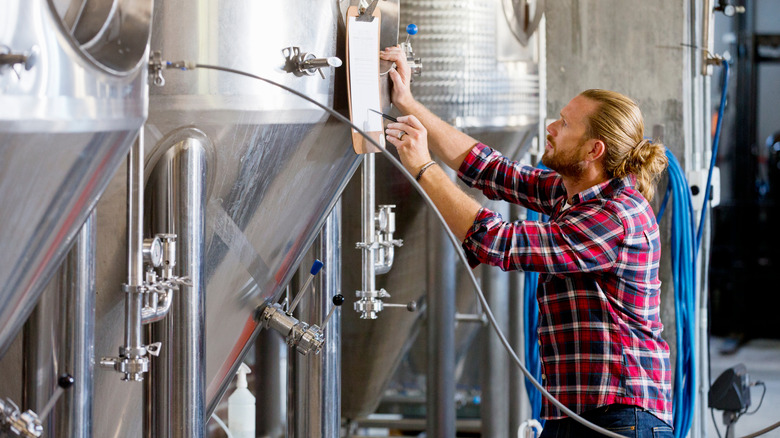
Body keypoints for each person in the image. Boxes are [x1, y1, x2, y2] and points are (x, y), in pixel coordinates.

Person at [379, 45, 674, 437]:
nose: (551, 127)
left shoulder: (614, 217)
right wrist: (408, 103)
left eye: (565, 124)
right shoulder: (570, 190)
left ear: (593, 150)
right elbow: (489, 169)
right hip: (575, 412)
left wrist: (423, 167)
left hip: (618, 419)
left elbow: (497, 241)